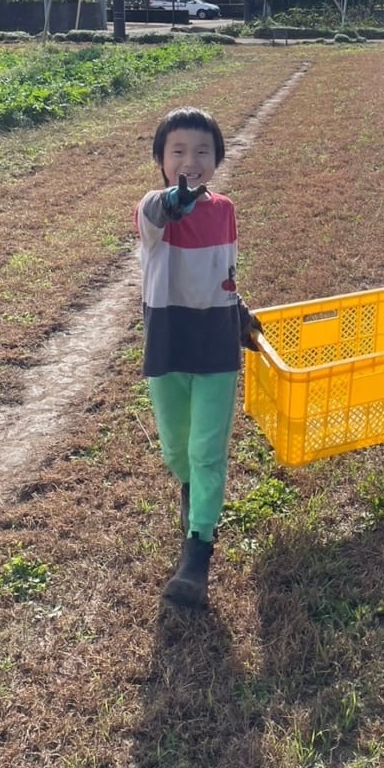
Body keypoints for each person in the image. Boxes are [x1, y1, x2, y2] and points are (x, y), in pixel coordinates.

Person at [135, 107, 260, 609]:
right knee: (177, 450)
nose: (191, 161)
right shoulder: (152, 208)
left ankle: (197, 553)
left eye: (203, 151)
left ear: (217, 158)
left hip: (213, 343)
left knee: (208, 450)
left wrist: (239, 312)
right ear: (162, 160)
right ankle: (192, 494)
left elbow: (221, 273)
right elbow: (160, 211)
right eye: (179, 152)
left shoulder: (225, 209)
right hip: (167, 339)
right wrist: (174, 198)